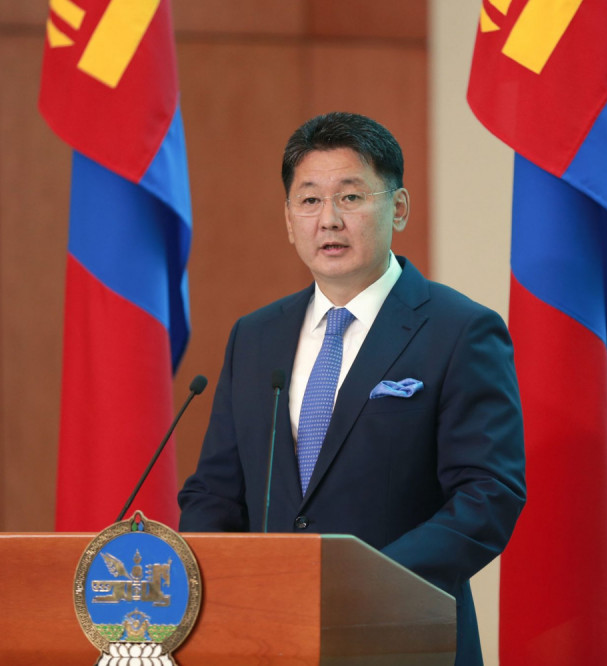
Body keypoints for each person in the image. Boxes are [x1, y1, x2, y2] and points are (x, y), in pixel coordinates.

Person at [178, 111, 525, 665]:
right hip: (266, 638)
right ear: (289, 218)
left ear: (399, 207)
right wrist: (222, 589)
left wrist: (367, 585)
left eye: (351, 197)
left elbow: (488, 495)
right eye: (309, 200)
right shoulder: (255, 337)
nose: (329, 220)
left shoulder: (460, 331)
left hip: (402, 636)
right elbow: (214, 493)